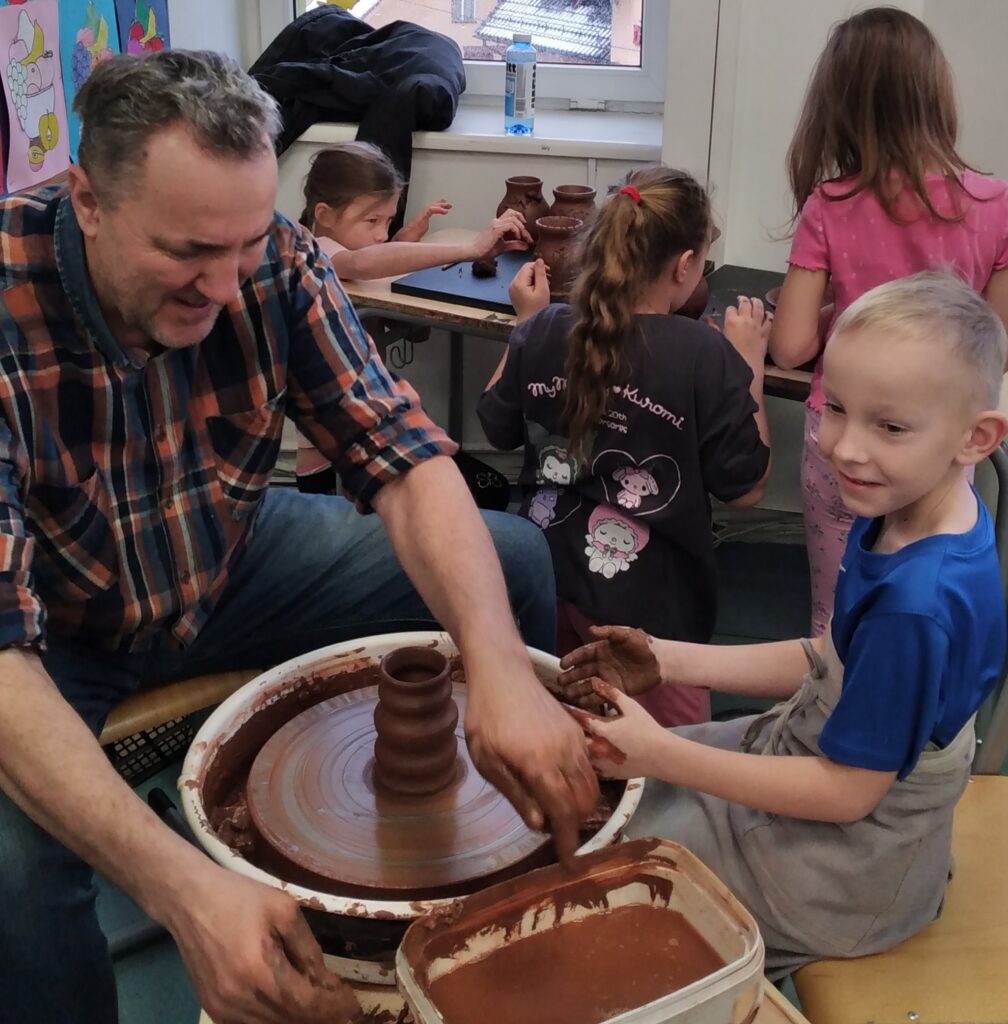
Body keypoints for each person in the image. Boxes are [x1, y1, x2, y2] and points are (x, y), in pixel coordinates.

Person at [0, 51, 598, 1024]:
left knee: (514, 563)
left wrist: (499, 673)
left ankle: (497, 896)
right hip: (54, 627)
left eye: (243, 245)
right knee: (10, 868)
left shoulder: (272, 257)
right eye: (190, 252)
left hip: (225, 558)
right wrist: (186, 893)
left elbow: (405, 460)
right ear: (89, 201)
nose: (223, 285)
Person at [560, 272, 1008, 976]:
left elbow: (846, 793)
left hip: (843, 871)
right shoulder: (910, 509)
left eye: (890, 426)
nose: (844, 447)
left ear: (975, 438)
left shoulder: (917, 608)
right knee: (615, 786)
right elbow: (827, 657)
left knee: (602, 888)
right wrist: (667, 659)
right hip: (816, 757)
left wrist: (661, 753)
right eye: (837, 409)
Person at [477, 166, 772, 727]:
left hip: (545, 575)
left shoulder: (545, 328)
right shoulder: (702, 353)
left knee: (561, 724)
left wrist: (525, 327)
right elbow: (747, 488)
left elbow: (497, 425)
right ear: (684, 265)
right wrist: (748, 362)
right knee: (674, 753)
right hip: (651, 614)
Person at [768, 7, 1008, 635]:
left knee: (836, 616)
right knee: (925, 597)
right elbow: (993, 347)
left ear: (839, 105)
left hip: (843, 434)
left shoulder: (830, 205)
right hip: (938, 439)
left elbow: (789, 346)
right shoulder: (998, 206)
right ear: (936, 92)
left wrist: (838, 312)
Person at [295, 140, 530, 500]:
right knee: (487, 493)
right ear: (324, 215)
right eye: (372, 221)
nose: (381, 233)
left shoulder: (346, 251)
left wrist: (406, 240)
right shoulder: (314, 249)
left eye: (388, 221)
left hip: (357, 435)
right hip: (328, 458)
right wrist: (469, 249)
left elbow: (376, 269)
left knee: (488, 489)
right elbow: (360, 264)